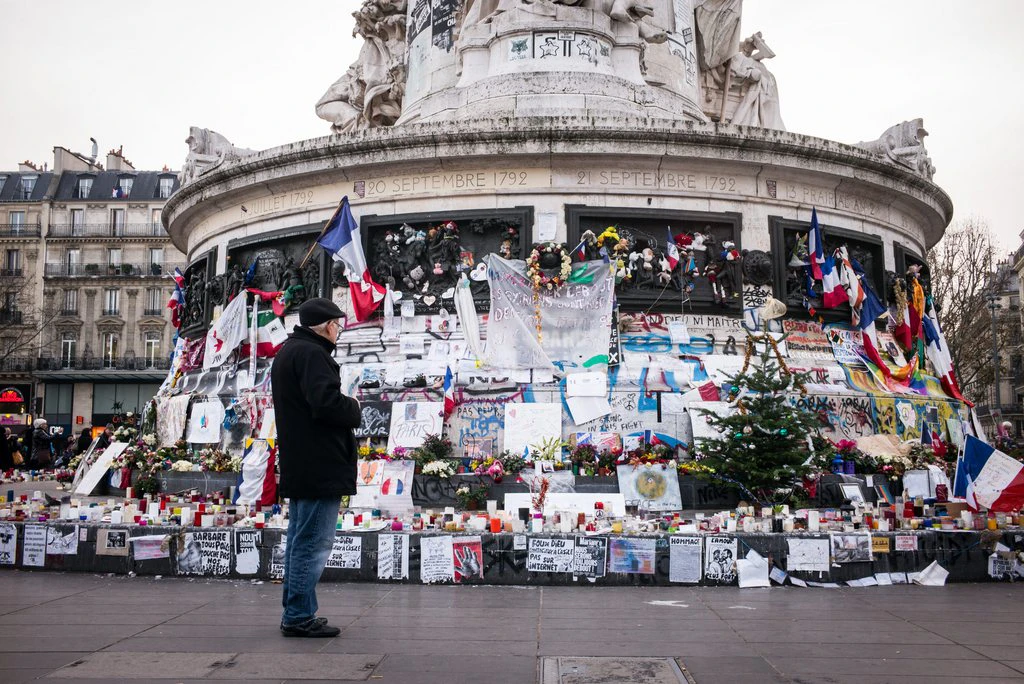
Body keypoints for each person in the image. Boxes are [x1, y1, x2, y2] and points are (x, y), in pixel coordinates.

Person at [272, 298, 362, 638]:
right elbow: (325, 404)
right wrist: (353, 407)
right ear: (325, 325)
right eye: (337, 325)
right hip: (319, 463)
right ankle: (297, 615)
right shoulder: (312, 355)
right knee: (312, 542)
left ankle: (298, 610)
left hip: (303, 462)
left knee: (300, 539)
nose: (339, 331)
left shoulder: (290, 351)